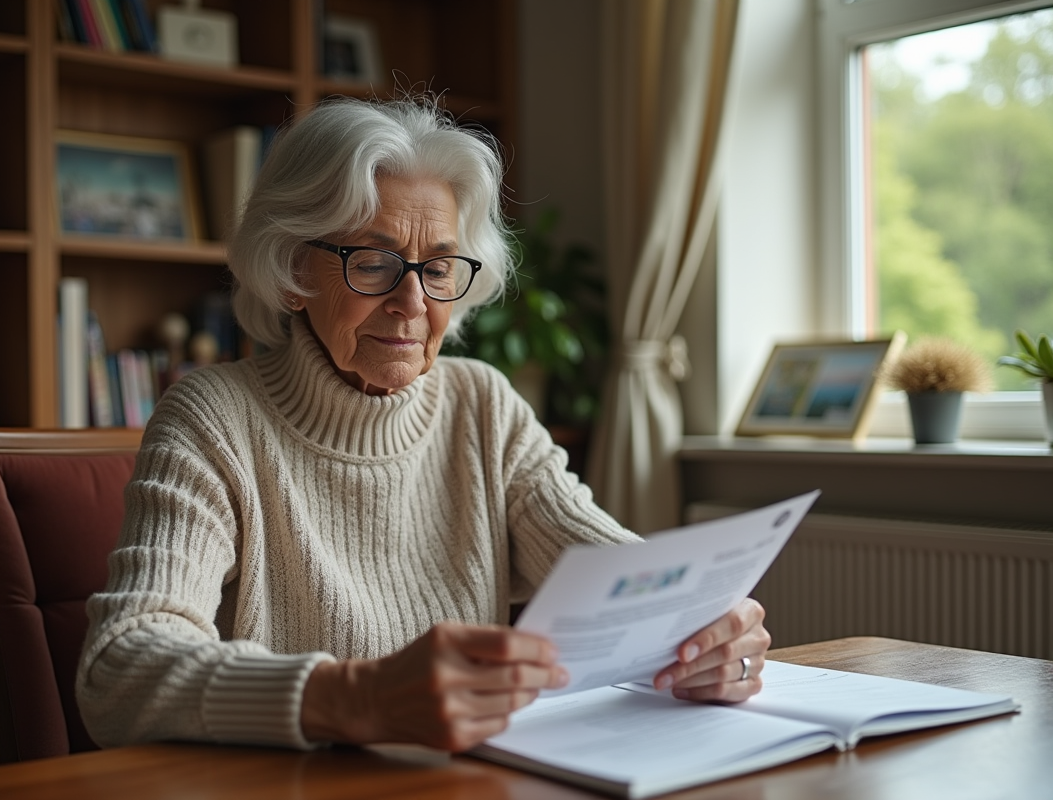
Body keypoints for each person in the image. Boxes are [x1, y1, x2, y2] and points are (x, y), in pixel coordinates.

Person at [76, 95, 770, 753]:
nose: (412, 301)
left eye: (438, 267)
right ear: (293, 268)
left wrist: (704, 625)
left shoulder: (483, 406)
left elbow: (622, 579)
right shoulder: (214, 418)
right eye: (374, 263)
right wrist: (360, 698)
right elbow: (119, 671)